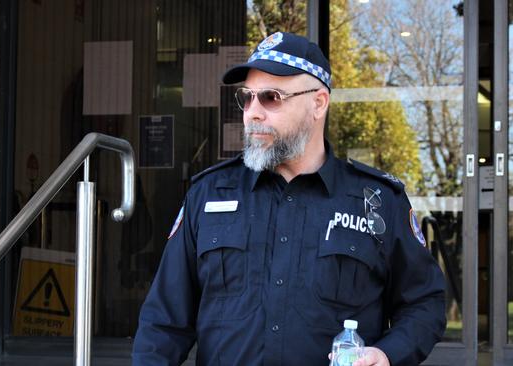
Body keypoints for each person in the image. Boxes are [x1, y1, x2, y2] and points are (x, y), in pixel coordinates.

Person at [132, 31, 446, 366]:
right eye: (247, 98)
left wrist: (387, 354)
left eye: (271, 98)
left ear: (318, 103)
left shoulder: (376, 201)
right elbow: (163, 323)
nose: (252, 113)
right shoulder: (208, 194)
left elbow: (424, 303)